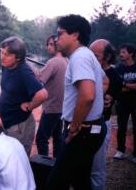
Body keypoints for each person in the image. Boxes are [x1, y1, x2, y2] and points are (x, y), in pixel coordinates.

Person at [46, 14, 107, 190]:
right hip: (90, 130)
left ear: (75, 35)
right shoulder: (86, 55)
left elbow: (87, 96)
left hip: (82, 132)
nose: (56, 39)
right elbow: (104, 81)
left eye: (60, 34)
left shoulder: (80, 57)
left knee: (55, 184)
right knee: (81, 181)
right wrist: (105, 98)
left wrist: (74, 127)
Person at [0, 36, 48, 156]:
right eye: (2, 52)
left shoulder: (24, 71)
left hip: (20, 126)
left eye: (7, 54)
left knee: (16, 160)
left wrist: (30, 106)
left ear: (18, 58)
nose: (2, 56)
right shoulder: (7, 66)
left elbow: (42, 94)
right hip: (9, 123)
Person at [90, 39, 122, 190]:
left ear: (107, 57)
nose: (90, 57)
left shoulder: (113, 76)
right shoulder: (89, 69)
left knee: (97, 169)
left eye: (95, 55)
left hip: (100, 125)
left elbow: (106, 101)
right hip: (85, 125)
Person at [36, 35, 68, 158]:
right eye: (47, 44)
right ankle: (55, 165)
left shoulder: (53, 62)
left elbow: (39, 80)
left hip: (51, 108)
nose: (48, 47)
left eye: (51, 44)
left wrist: (31, 70)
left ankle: (43, 166)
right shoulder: (66, 61)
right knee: (57, 138)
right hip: (61, 109)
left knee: (41, 139)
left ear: (58, 45)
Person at [114, 43, 136, 163]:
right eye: (120, 52)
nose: (121, 54)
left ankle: (135, 154)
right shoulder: (119, 69)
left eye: (123, 52)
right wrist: (130, 86)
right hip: (122, 102)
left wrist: (124, 84)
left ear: (131, 54)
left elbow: (121, 85)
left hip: (135, 102)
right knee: (121, 127)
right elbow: (116, 86)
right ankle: (120, 150)